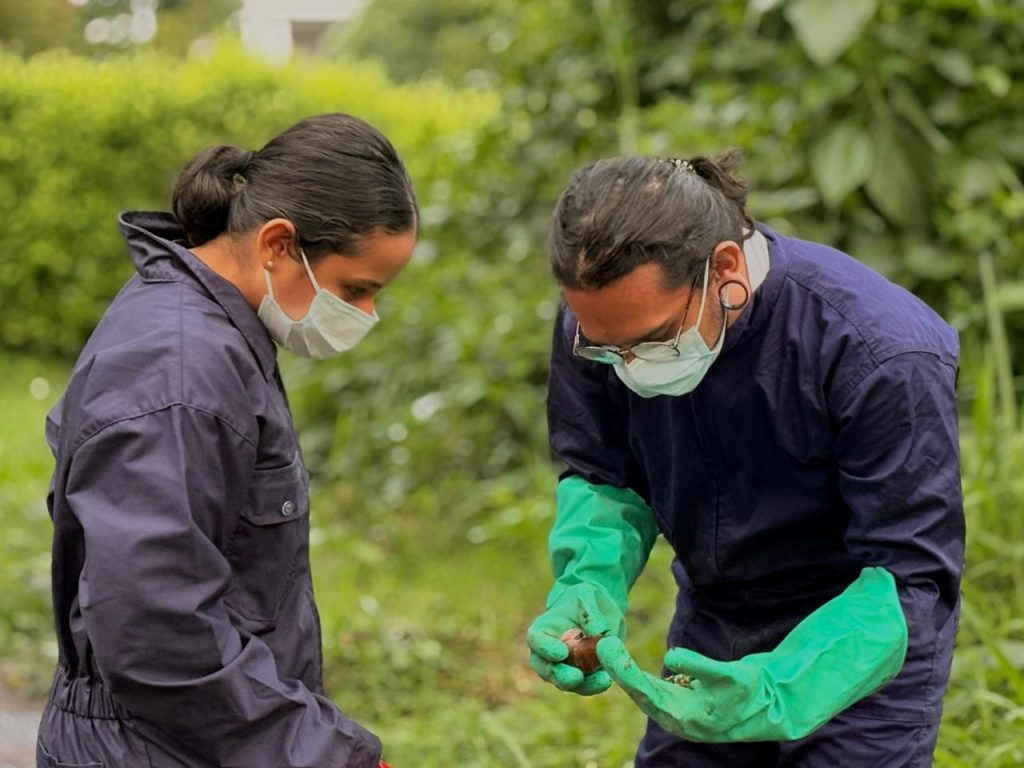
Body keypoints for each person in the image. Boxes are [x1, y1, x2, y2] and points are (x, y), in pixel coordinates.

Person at [527, 153, 963, 767]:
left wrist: (779, 685)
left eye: (652, 339)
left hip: (859, 643)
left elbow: (908, 573)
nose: (629, 365)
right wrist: (587, 583)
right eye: (607, 349)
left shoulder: (879, 351)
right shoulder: (601, 321)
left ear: (725, 267)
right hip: (716, 621)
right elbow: (603, 473)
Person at [37, 113, 415, 768]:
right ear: (278, 244)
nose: (365, 314)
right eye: (355, 289)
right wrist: (326, 754)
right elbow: (158, 631)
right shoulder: (182, 369)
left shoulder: (212, 333)